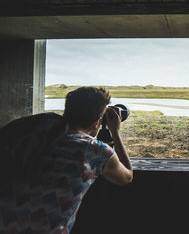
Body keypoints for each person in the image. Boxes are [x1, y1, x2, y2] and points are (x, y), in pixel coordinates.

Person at [0, 87, 133, 233]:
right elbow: (126, 177)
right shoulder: (93, 150)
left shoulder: (38, 135)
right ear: (97, 122)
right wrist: (115, 131)